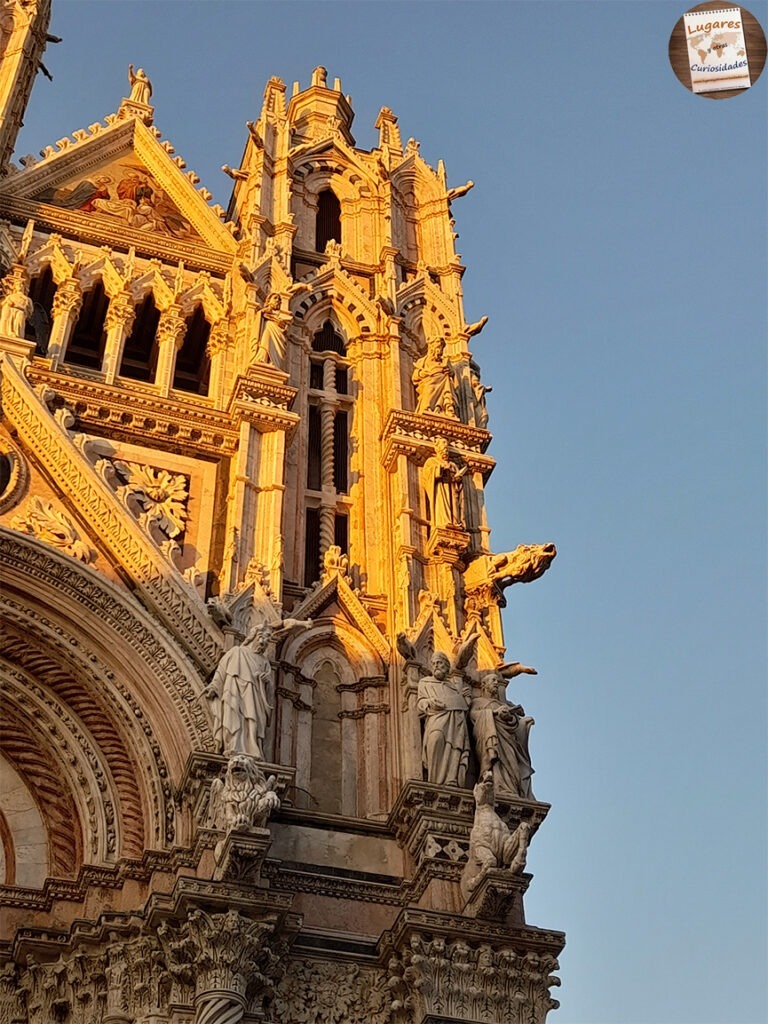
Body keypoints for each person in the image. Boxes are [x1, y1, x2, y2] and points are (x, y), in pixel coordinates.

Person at [206, 618, 311, 759]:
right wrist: (214, 686)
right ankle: (234, 745)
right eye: (261, 637)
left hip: (254, 694)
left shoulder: (264, 661)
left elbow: (269, 687)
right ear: (253, 636)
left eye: (266, 640)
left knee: (253, 720)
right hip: (234, 691)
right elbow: (221, 671)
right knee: (233, 716)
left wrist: (266, 682)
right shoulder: (237, 651)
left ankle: (252, 747)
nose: (262, 642)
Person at [469, 671, 535, 799]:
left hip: (507, 740)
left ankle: (509, 788)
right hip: (489, 738)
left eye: (497, 681)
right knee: (495, 761)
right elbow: (473, 716)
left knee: (511, 763)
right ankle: (495, 784)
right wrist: (493, 713)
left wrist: (510, 717)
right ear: (484, 685)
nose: (496, 683)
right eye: (493, 681)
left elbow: (513, 723)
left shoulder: (502, 704)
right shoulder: (478, 702)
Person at [417, 651, 471, 786]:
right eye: (434, 663)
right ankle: (434, 780)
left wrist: (466, 699)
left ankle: (451, 779)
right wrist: (429, 702)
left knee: (455, 748)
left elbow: (463, 709)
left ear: (447, 666)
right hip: (436, 720)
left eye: (439, 663)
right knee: (435, 739)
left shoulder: (453, 687)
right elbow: (420, 703)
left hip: (455, 724)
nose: (436, 666)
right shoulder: (425, 682)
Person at [422, 438, 467, 530]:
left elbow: (459, 483)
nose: (445, 452)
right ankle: (443, 522)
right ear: (437, 449)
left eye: (446, 450)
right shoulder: (432, 461)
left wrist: (458, 480)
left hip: (452, 489)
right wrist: (440, 468)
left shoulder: (453, 465)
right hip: (440, 489)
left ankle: (455, 523)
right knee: (441, 506)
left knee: (454, 506)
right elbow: (426, 477)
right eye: (443, 449)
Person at [413, 336, 455, 416]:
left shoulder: (444, 361)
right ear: (431, 346)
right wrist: (427, 373)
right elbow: (415, 377)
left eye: (441, 347)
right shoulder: (422, 361)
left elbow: (452, 374)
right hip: (428, 382)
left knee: (447, 380)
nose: (440, 348)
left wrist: (449, 371)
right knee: (430, 386)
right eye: (438, 345)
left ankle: (441, 408)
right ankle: (427, 407)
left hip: (442, 381)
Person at [253, 293, 292, 367]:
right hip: (269, 329)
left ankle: (274, 363)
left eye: (279, 299)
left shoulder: (281, 314)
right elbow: (260, 315)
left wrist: (283, 325)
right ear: (269, 301)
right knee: (266, 340)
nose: (277, 300)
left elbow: (286, 328)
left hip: (279, 335)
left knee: (277, 351)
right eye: (275, 298)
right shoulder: (264, 312)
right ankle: (263, 358)